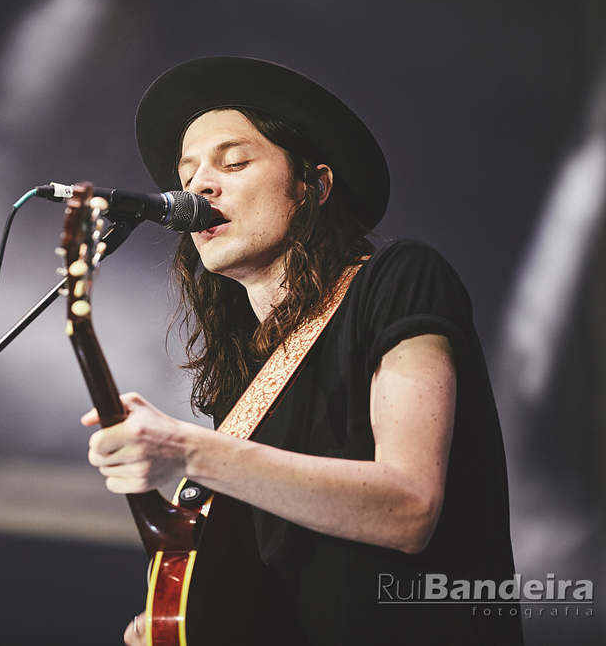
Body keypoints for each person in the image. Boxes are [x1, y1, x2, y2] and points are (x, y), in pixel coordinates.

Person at [80, 58, 522, 645]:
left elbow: (409, 508)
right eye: (187, 174)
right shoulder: (246, 378)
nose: (198, 187)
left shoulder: (399, 278)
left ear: (314, 184)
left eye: (233, 162)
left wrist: (189, 450)